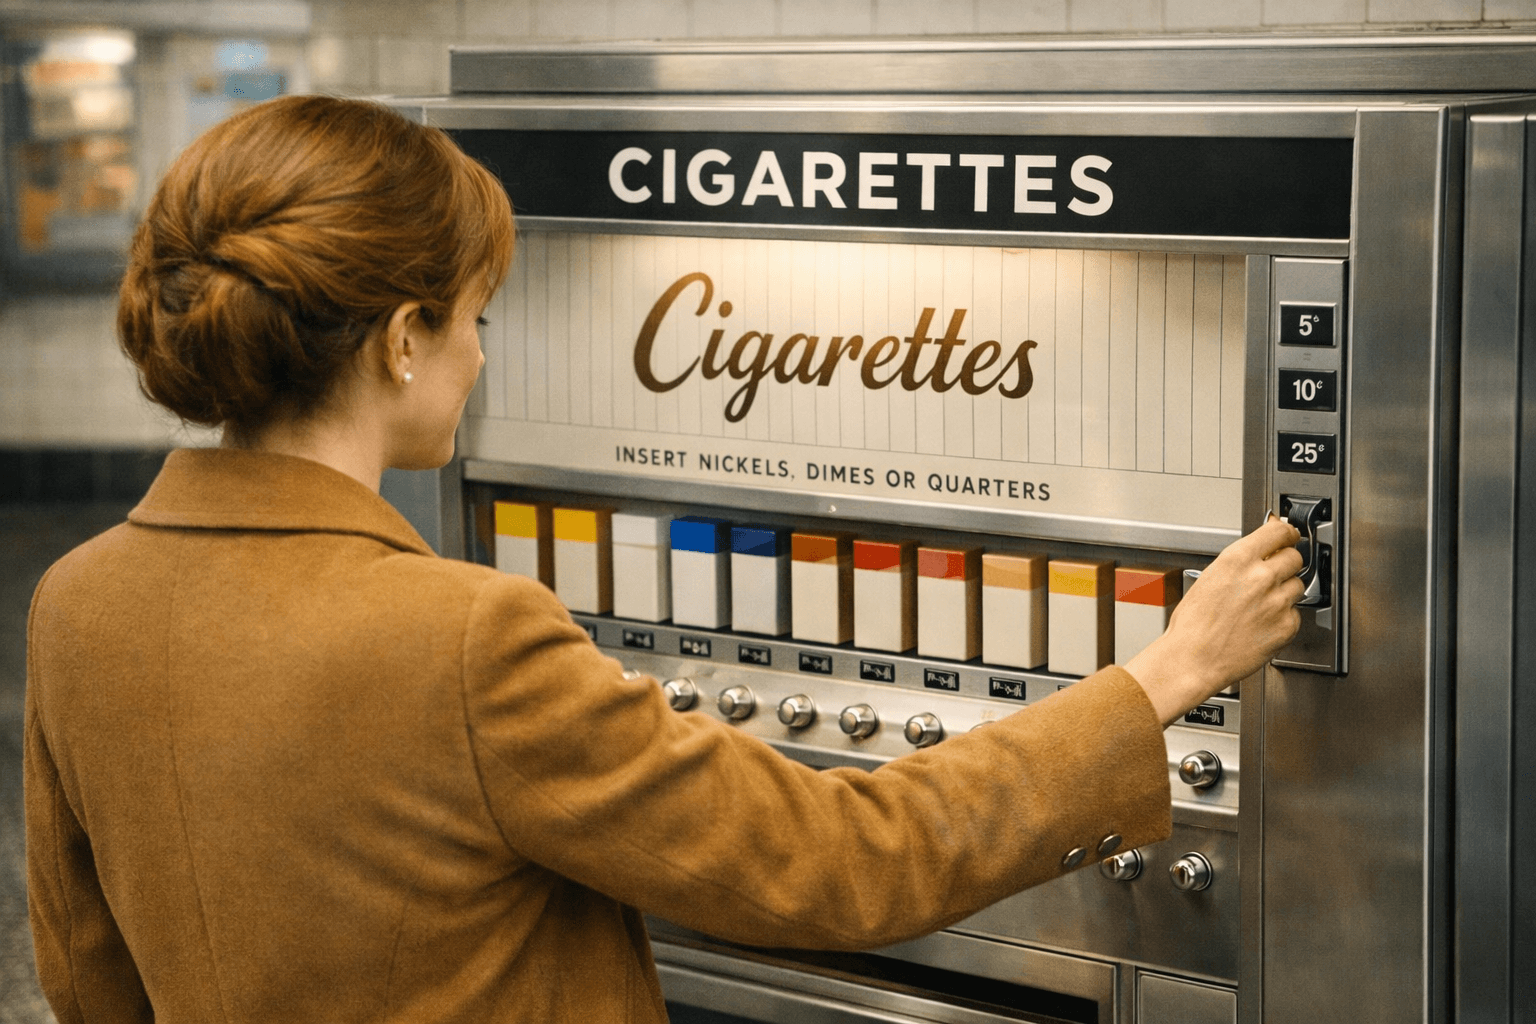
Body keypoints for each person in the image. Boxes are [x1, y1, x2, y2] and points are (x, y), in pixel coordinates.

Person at [24, 95, 1303, 1024]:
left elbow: (87, 983)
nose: (482, 353)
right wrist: (1166, 674)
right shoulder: (463, 639)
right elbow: (846, 861)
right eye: (476, 315)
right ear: (403, 338)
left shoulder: (79, 603)